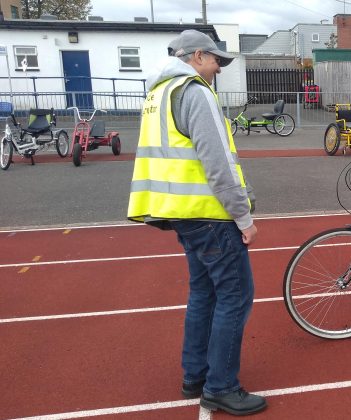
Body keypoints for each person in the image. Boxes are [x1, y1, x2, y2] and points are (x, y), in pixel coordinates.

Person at [127, 29, 266, 415]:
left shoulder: (157, 94)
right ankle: (221, 385)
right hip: (211, 215)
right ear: (198, 55)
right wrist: (244, 216)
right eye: (216, 60)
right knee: (235, 297)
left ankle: (195, 375)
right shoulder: (195, 92)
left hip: (182, 213)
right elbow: (218, 164)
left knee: (203, 293)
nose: (219, 68)